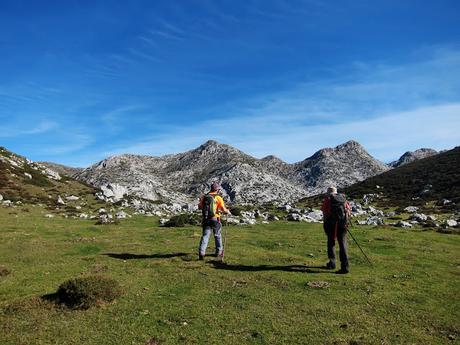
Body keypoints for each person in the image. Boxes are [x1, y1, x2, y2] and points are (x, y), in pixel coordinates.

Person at [321, 186, 351, 274]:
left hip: (331, 224)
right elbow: (348, 211)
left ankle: (332, 263)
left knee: (331, 243)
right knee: (343, 244)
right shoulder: (343, 199)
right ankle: (345, 267)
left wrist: (326, 223)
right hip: (343, 225)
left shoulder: (328, 199)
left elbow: (324, 212)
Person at [198, 182, 231, 260]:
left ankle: (201, 253)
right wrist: (227, 211)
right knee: (217, 235)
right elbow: (223, 209)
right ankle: (218, 252)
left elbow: (200, 207)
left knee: (205, 236)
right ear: (217, 189)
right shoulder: (218, 197)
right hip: (215, 219)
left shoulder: (205, 197)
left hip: (206, 219)